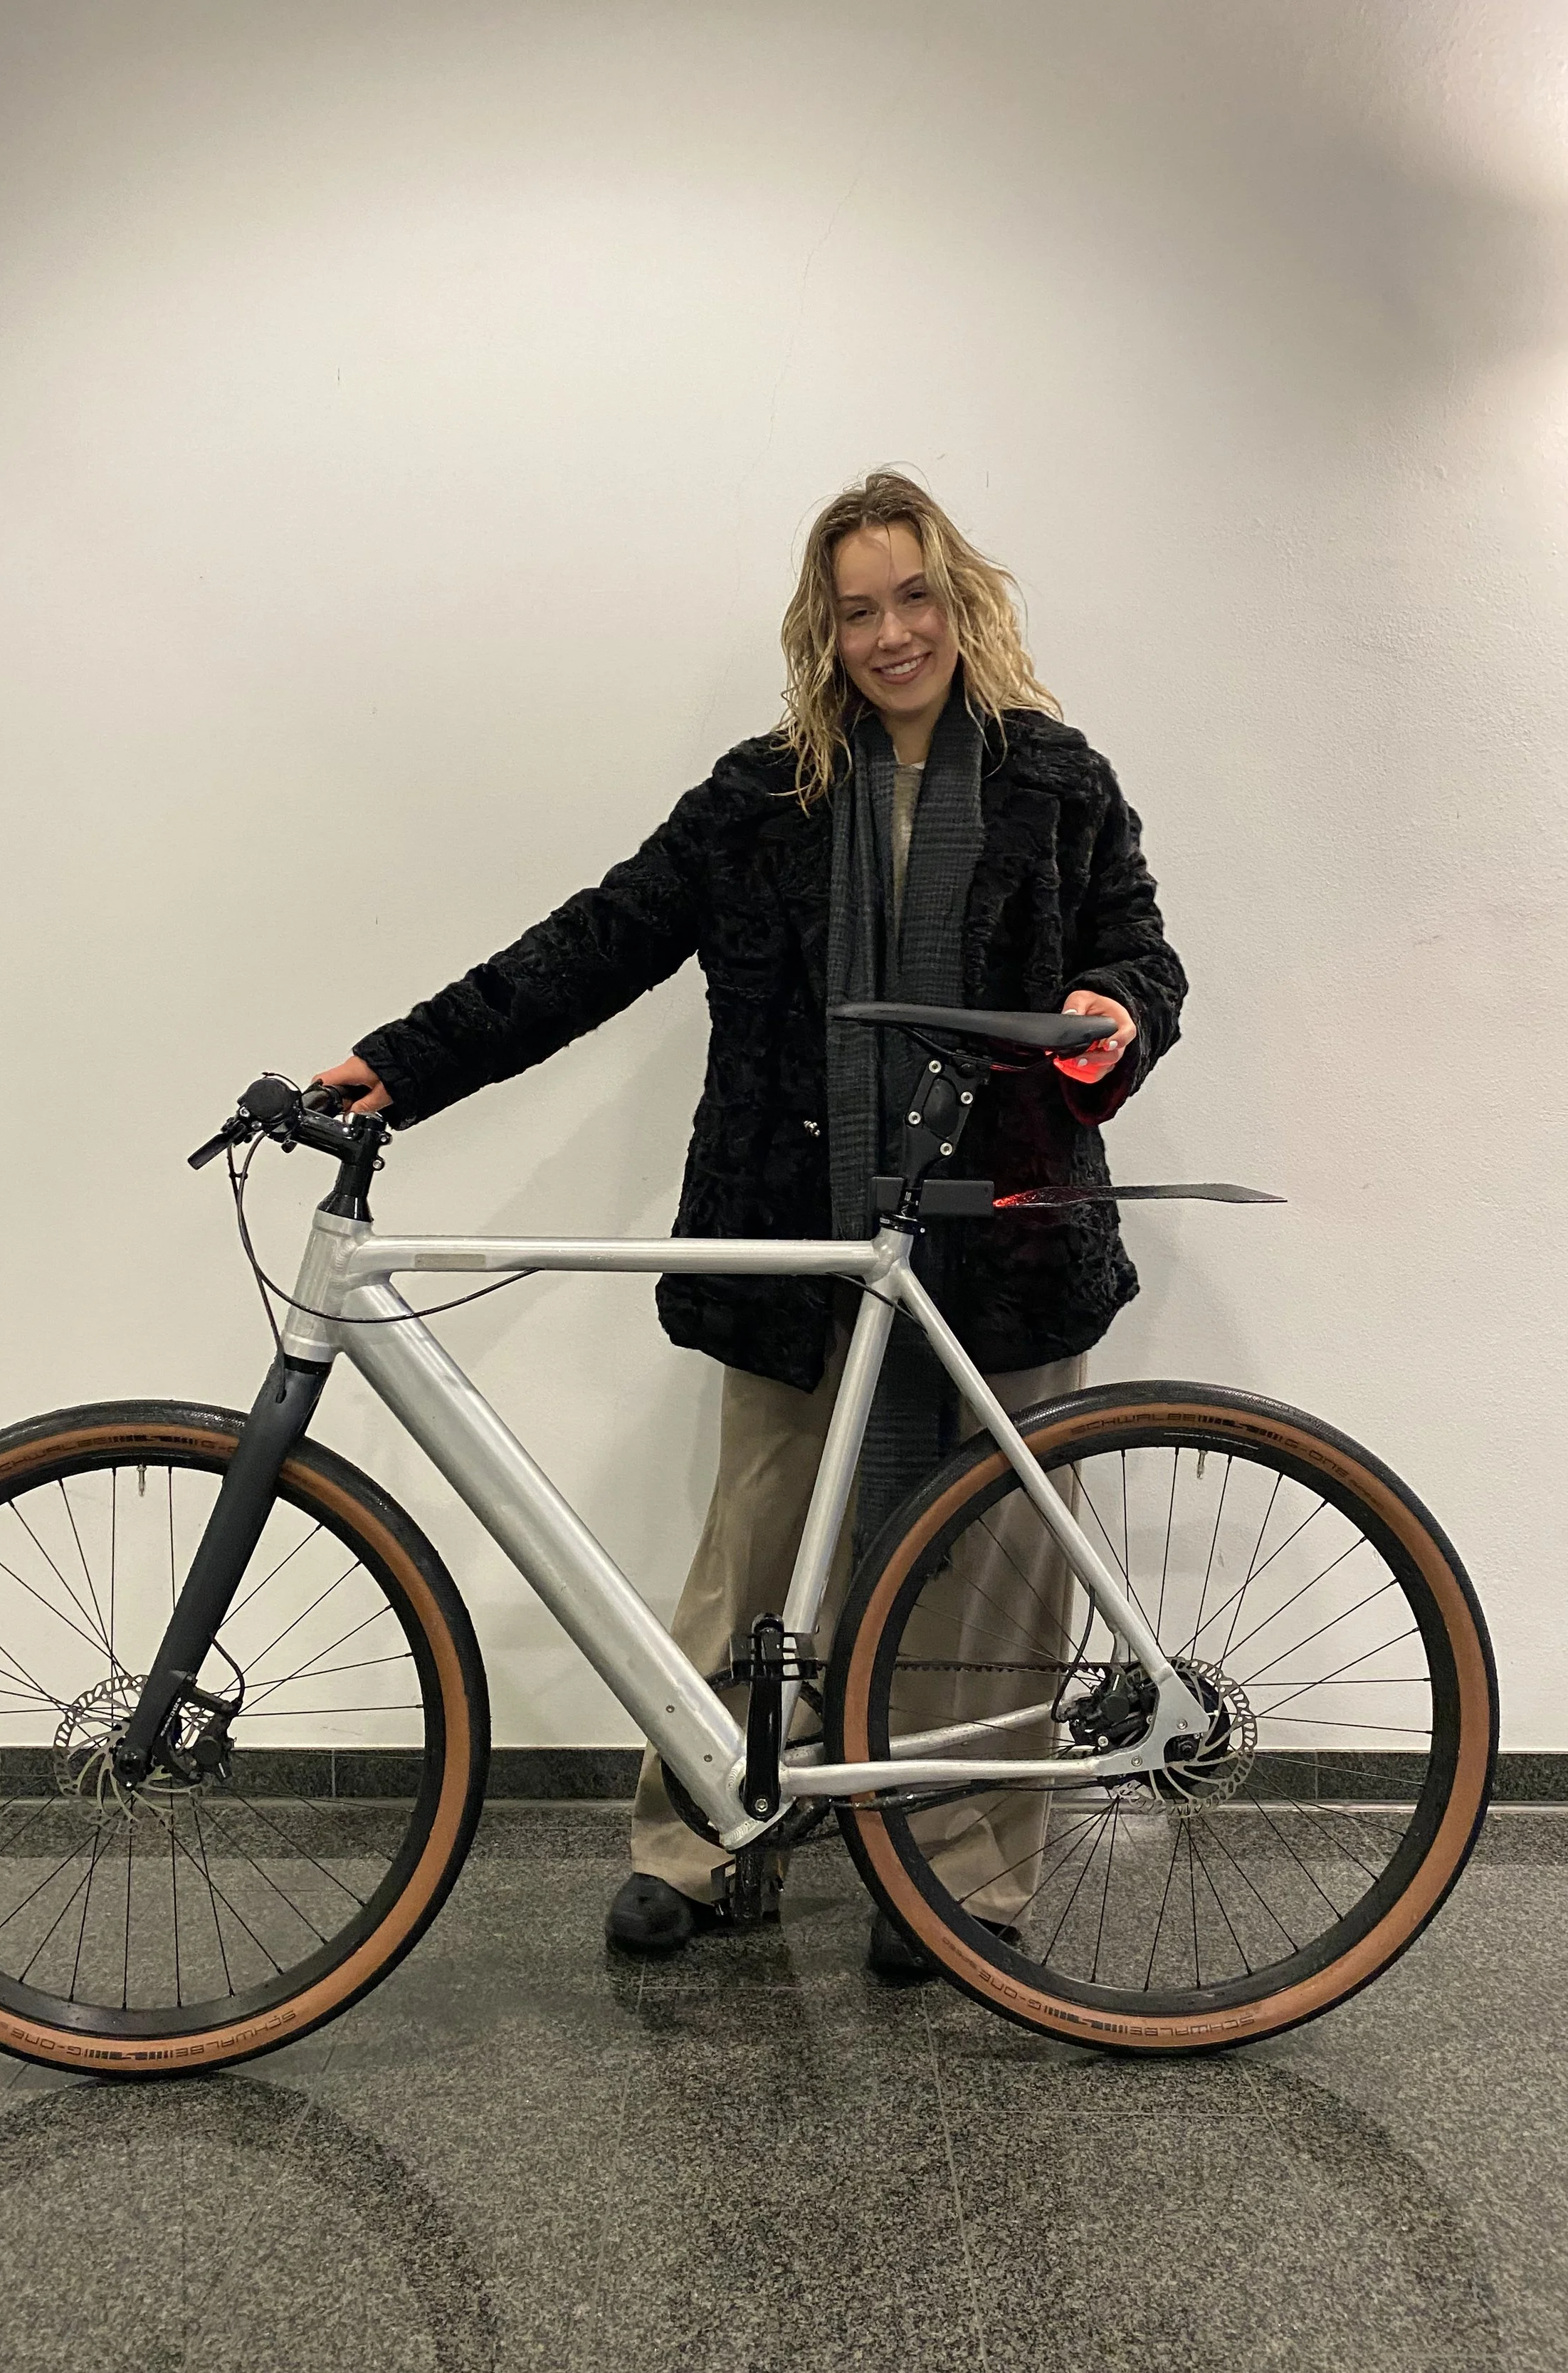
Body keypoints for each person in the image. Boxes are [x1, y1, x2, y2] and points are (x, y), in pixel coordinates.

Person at [315, 470, 1186, 1975]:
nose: (891, 632)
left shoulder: (1057, 781)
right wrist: (398, 1065)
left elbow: (1136, 953)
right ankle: (704, 1844)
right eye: (857, 609)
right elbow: (591, 945)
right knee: (750, 1563)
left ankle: (957, 1876)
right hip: (796, 1242)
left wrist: (1115, 1009)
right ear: (823, 628)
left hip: (1005, 1239)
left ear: (959, 601)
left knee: (988, 1574)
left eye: (914, 597)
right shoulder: (759, 796)